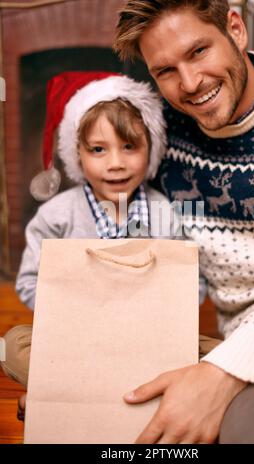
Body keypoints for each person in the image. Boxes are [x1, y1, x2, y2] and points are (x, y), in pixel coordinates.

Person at [114, 0, 254, 444]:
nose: (190, 84)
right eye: (166, 71)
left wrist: (224, 372)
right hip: (226, 335)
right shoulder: (161, 131)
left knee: (253, 435)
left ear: (235, 29)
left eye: (198, 51)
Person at [0, 70, 191, 411]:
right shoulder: (56, 216)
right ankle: (129, 390)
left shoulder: (164, 212)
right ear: (78, 155)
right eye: (99, 149)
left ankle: (71, 391)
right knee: (14, 345)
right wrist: (80, 306)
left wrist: (156, 315)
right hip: (78, 337)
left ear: (152, 148)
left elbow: (187, 284)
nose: (116, 163)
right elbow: (29, 282)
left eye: (129, 147)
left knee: (214, 353)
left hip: (147, 338)